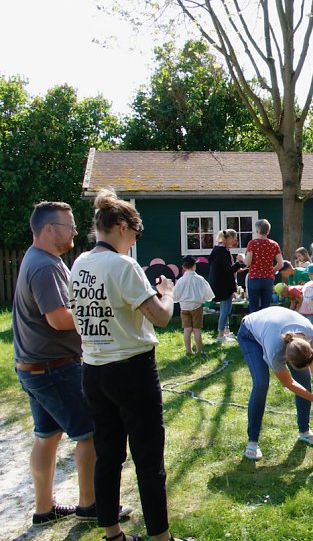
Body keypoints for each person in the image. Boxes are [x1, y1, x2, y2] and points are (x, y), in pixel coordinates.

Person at [70, 188, 192, 541]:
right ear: (122, 227)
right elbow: (160, 317)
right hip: (131, 370)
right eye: (136, 234)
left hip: (93, 369)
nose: (135, 241)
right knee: (148, 458)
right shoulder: (123, 265)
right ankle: (161, 538)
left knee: (107, 454)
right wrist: (167, 292)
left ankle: (113, 534)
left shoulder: (81, 262)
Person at [13, 202, 131, 527]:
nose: (76, 232)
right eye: (70, 226)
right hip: (55, 369)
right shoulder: (44, 266)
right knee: (90, 433)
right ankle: (90, 505)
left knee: (47, 435)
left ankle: (44, 509)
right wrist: (99, 312)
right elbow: (59, 319)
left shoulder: (39, 259)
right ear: (49, 229)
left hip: (35, 367)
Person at [237, 306, 313, 459]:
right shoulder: (276, 351)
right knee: (261, 384)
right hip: (250, 332)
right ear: (287, 358)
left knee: (304, 378)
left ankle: (304, 431)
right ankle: (252, 442)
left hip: (274, 322)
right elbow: (289, 382)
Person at [208, 229, 246, 342]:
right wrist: (239, 263)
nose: (235, 241)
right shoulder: (224, 251)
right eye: (234, 238)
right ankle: (220, 334)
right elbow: (228, 270)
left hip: (217, 283)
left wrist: (236, 267)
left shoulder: (216, 249)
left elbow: (222, 268)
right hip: (224, 285)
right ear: (228, 238)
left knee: (225, 308)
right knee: (226, 310)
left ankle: (226, 331)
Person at [173, 256, 215, 355]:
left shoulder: (180, 281)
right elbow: (209, 295)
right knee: (197, 329)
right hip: (197, 307)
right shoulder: (200, 279)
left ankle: (188, 351)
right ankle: (199, 351)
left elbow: (175, 296)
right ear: (194, 266)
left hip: (184, 307)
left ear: (183, 267)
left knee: (187, 329)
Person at [244, 219, 285, 313]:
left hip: (254, 278)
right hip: (268, 279)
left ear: (257, 230)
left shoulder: (252, 243)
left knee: (253, 308)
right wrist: (272, 271)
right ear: (268, 231)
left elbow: (248, 262)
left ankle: (254, 323)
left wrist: (243, 259)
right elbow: (281, 263)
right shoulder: (274, 244)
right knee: (266, 309)